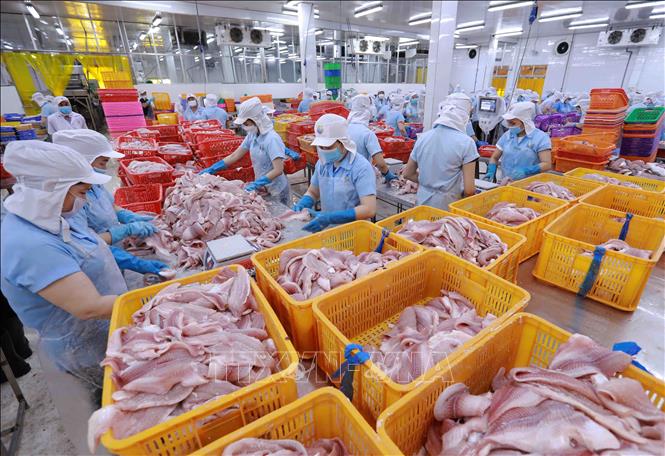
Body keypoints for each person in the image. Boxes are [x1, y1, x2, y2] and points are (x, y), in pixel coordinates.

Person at [0, 140, 127, 393]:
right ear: (52, 190)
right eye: (81, 193)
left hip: (102, 333)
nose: (85, 200)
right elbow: (89, 308)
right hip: (80, 349)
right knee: (105, 399)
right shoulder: (29, 243)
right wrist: (157, 300)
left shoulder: (55, 218)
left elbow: (87, 250)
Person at [52, 130, 166, 275]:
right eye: (103, 161)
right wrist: (127, 230)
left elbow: (109, 204)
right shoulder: (68, 198)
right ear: (85, 161)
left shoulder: (93, 183)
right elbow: (84, 244)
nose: (105, 168)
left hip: (112, 250)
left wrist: (127, 216)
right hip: (95, 262)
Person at [292, 114, 376, 232]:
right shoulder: (322, 164)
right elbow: (313, 191)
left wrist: (331, 218)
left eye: (328, 146)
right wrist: (304, 203)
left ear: (343, 143)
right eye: (321, 147)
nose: (324, 151)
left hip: (354, 231)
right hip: (327, 229)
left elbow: (369, 209)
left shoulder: (361, 167)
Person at [199, 97, 291, 205]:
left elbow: (278, 169)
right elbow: (235, 155)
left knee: (281, 217)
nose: (244, 127)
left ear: (256, 120)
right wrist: (213, 168)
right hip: (263, 188)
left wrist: (257, 183)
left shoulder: (271, 139)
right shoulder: (252, 135)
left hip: (277, 190)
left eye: (246, 124)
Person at [403, 93, 478, 210]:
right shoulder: (466, 143)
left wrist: (428, 183)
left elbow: (407, 173)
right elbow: (469, 190)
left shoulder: (423, 138)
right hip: (447, 204)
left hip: (422, 202)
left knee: (420, 227)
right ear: (465, 115)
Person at [484, 101, 552, 182]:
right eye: (508, 123)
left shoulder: (540, 138)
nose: (509, 126)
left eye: (513, 123)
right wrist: (491, 170)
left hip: (529, 184)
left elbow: (547, 164)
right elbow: (495, 157)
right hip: (506, 182)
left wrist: (527, 170)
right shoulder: (507, 135)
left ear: (525, 122)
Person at [346, 95, 397, 183]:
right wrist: (388, 174)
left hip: (343, 177)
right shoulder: (367, 134)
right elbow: (380, 164)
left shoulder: (343, 129)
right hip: (360, 177)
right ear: (367, 113)